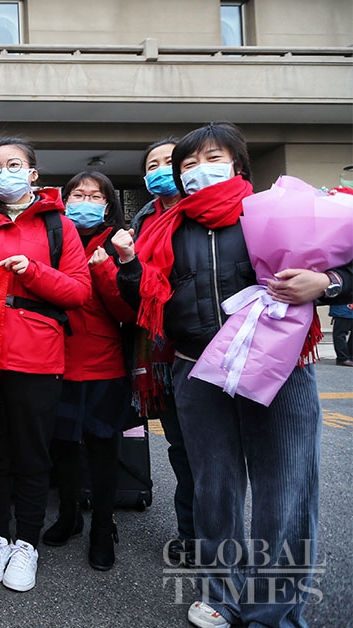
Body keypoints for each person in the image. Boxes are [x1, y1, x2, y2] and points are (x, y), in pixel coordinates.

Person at [112, 122, 351, 628]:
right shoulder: (165, 227)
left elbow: (343, 263)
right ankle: (220, 595)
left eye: (212, 157)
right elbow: (146, 301)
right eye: (189, 164)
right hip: (197, 368)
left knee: (285, 491)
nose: (199, 170)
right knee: (214, 489)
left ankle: (275, 610)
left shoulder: (275, 210)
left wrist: (327, 282)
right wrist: (130, 266)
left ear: (238, 164)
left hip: (282, 368)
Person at [0, 137, 91, 593]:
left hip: (36, 355)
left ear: (32, 173)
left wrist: (32, 270)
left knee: (32, 454)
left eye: (12, 164)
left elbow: (78, 292)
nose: (1, 173)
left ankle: (26, 541)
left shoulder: (58, 225)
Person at [42, 171, 135, 572]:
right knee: (62, 447)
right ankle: (69, 515)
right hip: (56, 358)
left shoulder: (119, 242)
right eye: (78, 194)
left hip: (103, 363)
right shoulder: (54, 238)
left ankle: (101, 526)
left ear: (108, 204)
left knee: (102, 450)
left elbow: (128, 312)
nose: (86, 201)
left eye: (95, 196)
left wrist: (105, 272)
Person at [129, 138, 197, 566]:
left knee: (213, 451)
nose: (160, 170)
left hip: (206, 347)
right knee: (181, 447)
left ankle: (216, 535)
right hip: (161, 350)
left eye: (169, 162)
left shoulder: (207, 214)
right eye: (151, 164)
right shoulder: (143, 222)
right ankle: (191, 534)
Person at [331, 301, 353, 366]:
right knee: (340, 334)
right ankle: (343, 358)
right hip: (343, 309)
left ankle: (347, 357)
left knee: (340, 334)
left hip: (345, 308)